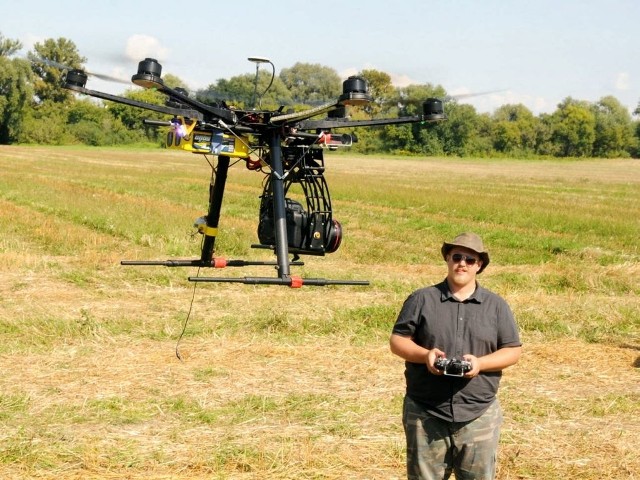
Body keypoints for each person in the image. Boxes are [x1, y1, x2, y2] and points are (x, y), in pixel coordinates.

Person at [390, 232, 522, 480]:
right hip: (426, 412)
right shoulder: (422, 299)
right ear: (447, 259)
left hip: (478, 415)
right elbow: (398, 341)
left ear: (479, 265)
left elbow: (513, 350)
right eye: (457, 257)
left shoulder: (496, 306)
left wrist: (480, 363)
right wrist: (426, 356)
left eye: (470, 260)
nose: (462, 263)